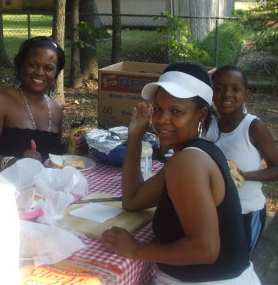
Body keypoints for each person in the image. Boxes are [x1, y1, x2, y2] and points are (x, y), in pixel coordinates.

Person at [101, 62, 260, 284]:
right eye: (158, 109)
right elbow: (133, 200)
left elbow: (205, 249)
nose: (161, 120)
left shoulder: (188, 162)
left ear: (201, 114)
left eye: (176, 111)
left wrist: (137, 250)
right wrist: (135, 136)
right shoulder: (193, 154)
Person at [207, 65, 278, 252]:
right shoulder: (210, 127)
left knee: (239, 263)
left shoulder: (253, 127)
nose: (227, 94)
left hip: (246, 212)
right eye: (220, 89)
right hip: (217, 212)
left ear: (246, 94)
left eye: (235, 89)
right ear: (212, 93)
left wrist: (244, 175)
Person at [0, 36, 65, 172]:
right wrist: (15, 163)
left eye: (48, 68)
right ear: (20, 65)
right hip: (3, 187)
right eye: (32, 65)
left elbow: (52, 158)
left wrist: (75, 149)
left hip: (45, 189)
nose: (39, 72)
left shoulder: (57, 109)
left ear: (56, 73)